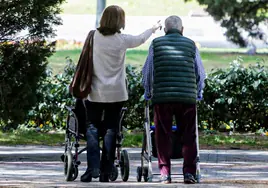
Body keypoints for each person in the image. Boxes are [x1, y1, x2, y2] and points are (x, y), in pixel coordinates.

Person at [80, 5, 162, 183]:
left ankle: (91, 167)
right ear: (120, 21)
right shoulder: (122, 40)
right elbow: (140, 39)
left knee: (92, 128)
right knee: (111, 129)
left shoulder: (93, 36)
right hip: (116, 93)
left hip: (94, 91)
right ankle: (105, 171)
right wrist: (153, 29)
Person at [142, 15, 206, 184]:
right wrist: (197, 92)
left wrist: (148, 93)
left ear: (164, 30)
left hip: (163, 98)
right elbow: (200, 73)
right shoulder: (191, 45)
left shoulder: (156, 44)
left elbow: (148, 72)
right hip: (187, 98)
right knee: (189, 136)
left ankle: (165, 173)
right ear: (182, 30)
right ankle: (189, 173)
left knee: (163, 135)